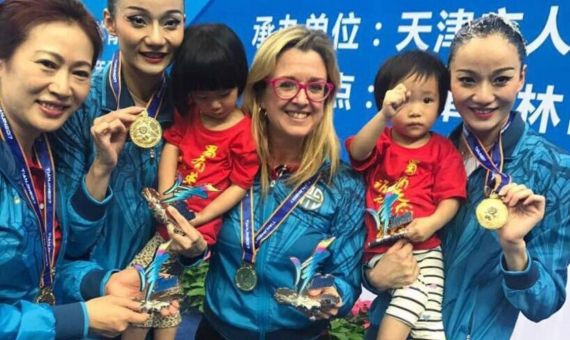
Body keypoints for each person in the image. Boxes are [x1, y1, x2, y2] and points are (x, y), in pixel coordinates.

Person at [364, 14, 570, 340]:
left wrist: (514, 248)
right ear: (449, 82)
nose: (484, 96)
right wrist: (373, 275)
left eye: (501, 80)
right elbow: (374, 239)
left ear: (522, 78)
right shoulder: (421, 156)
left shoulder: (554, 171)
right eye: (468, 80)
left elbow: (543, 304)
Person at [0, 0, 175, 338]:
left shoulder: (42, 150)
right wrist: (75, 319)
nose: (64, 87)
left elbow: (52, 264)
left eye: (80, 72)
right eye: (47, 65)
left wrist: (103, 281)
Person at [123, 23, 258, 340]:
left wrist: (200, 218)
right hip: (170, 215)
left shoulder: (245, 131)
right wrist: (168, 197)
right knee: (163, 289)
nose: (214, 105)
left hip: (197, 227)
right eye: (203, 96)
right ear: (190, 93)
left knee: (141, 281)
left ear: (239, 82)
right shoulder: (189, 115)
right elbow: (173, 145)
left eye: (224, 95)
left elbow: (239, 184)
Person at [51, 0, 185, 270]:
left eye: (171, 23)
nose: (157, 39)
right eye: (138, 20)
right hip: (92, 292)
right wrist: (101, 167)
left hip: (165, 291)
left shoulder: (191, 102)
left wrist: (191, 253)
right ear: (110, 23)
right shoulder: (79, 101)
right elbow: (67, 240)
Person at [346, 50, 466, 340]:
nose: (416, 110)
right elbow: (356, 151)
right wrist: (383, 116)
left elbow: (452, 197)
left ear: (440, 105)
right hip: (382, 249)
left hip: (428, 247)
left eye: (427, 100)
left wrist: (431, 223)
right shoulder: (381, 141)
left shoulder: (443, 149)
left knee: (432, 321)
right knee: (412, 294)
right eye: (404, 101)